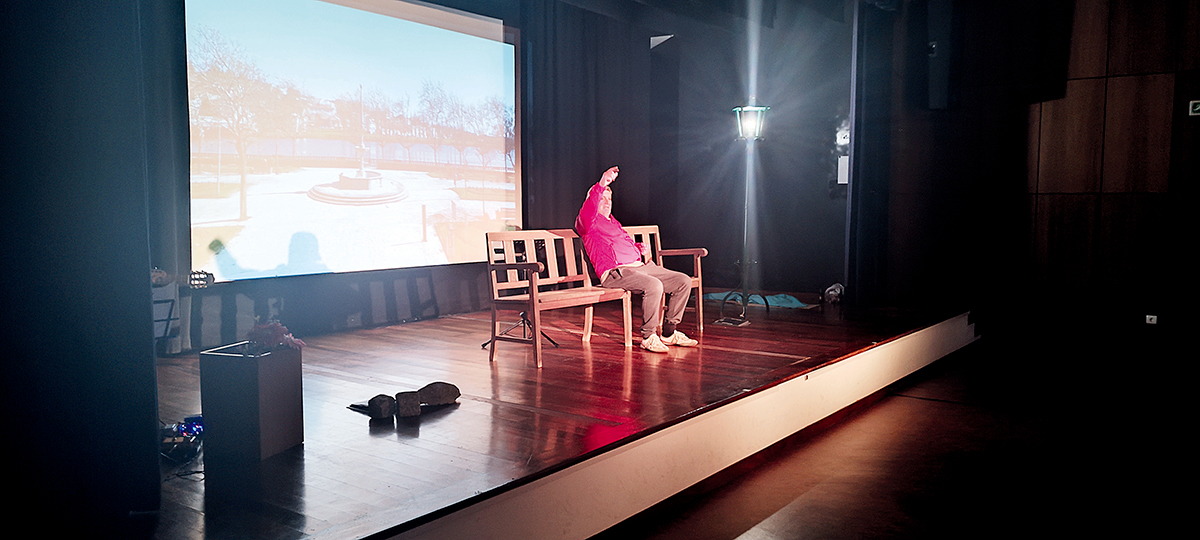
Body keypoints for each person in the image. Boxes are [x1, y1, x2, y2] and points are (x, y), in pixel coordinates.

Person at [575, 166, 698, 353]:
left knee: (683, 281)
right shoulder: (587, 223)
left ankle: (669, 332)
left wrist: (639, 248)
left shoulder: (613, 222)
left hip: (640, 267)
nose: (607, 203)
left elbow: (621, 243)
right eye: (602, 199)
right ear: (593, 201)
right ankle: (648, 337)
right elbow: (588, 211)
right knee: (654, 285)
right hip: (615, 272)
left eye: (609, 199)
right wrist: (602, 183)